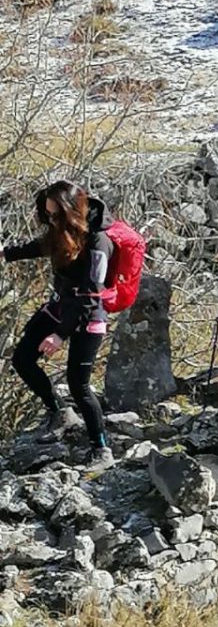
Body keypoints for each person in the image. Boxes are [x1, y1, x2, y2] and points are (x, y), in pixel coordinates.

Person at [1, 180, 115, 469]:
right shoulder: (60, 232)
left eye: (55, 215)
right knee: (23, 359)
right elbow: (40, 246)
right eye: (48, 215)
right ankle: (59, 412)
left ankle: (101, 449)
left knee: (80, 386)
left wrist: (60, 335)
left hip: (88, 316)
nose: (50, 220)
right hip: (59, 306)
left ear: (71, 211)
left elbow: (91, 295)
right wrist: (6, 253)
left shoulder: (99, 242)